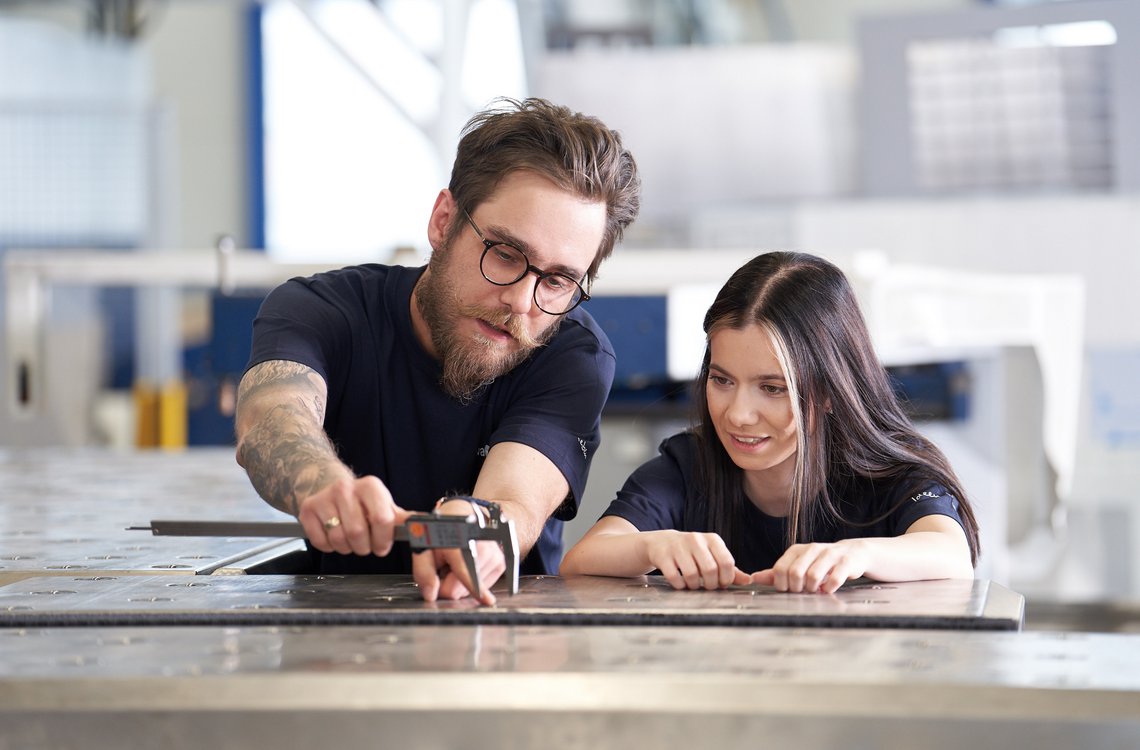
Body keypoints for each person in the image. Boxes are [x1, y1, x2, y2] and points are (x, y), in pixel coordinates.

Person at [235, 98, 640, 605]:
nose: (519, 301)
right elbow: (271, 417)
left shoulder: (573, 353)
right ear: (443, 220)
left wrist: (476, 527)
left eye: (558, 280)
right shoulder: (320, 310)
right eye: (506, 253)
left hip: (501, 632)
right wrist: (321, 484)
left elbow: (514, 499)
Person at [560, 251, 980, 593]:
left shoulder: (893, 476)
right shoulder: (687, 468)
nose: (739, 414)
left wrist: (858, 555)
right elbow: (583, 559)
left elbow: (950, 555)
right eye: (722, 380)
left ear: (831, 391)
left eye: (774, 388)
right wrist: (653, 546)